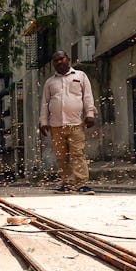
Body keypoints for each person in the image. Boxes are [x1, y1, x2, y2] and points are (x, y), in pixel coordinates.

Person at [39, 50, 96, 193]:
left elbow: (87, 96)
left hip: (76, 123)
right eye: (55, 60)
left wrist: (90, 113)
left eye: (61, 59)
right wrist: (43, 121)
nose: (59, 62)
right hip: (56, 125)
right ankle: (67, 183)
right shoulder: (50, 82)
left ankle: (81, 183)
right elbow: (45, 103)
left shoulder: (80, 76)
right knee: (61, 155)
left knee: (78, 153)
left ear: (68, 59)